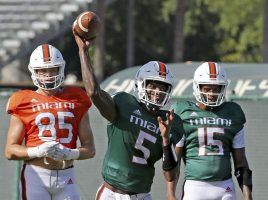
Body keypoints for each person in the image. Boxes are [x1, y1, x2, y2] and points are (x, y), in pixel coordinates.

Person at [73, 30, 184, 200]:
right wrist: (84, 52)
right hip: (112, 193)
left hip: (142, 195)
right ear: (140, 84)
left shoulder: (170, 122)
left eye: (162, 88)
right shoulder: (125, 103)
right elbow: (94, 92)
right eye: (153, 85)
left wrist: (166, 140)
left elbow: (170, 175)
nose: (157, 92)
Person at [5, 44, 96, 200]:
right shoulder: (22, 100)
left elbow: (90, 149)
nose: (47, 75)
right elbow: (10, 151)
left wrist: (69, 153)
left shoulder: (76, 98)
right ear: (34, 71)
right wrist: (38, 151)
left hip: (67, 176)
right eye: (42, 70)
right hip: (35, 176)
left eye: (52, 69)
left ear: (60, 69)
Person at [166, 62, 253, 200]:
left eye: (216, 89)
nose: (211, 94)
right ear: (197, 86)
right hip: (195, 187)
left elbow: (241, 163)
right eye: (207, 88)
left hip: (225, 187)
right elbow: (174, 163)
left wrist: (248, 197)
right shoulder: (183, 113)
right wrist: (170, 193)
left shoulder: (232, 113)